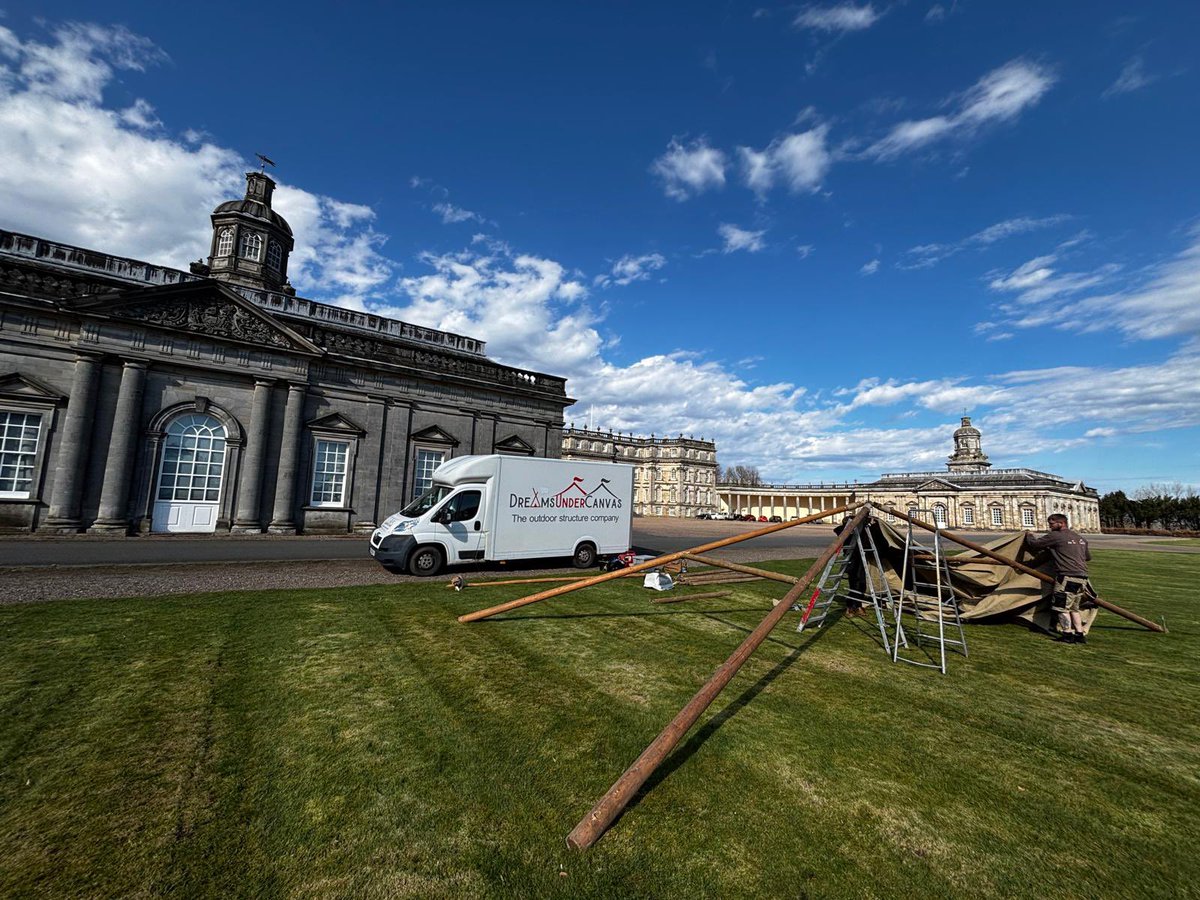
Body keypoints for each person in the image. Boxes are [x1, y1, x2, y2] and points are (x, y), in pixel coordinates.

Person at [1024, 513, 1093, 644]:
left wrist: (1028, 535)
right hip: (1082, 578)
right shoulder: (1080, 538)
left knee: (1061, 607)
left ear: (1061, 523)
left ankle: (1067, 634)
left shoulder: (1056, 536)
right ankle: (1079, 634)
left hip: (1067, 577)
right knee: (1074, 608)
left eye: (1052, 524)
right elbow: (1087, 557)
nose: (1050, 527)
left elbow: (1034, 544)